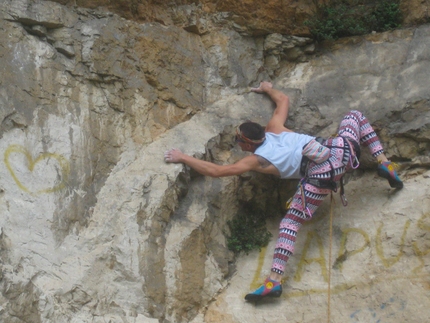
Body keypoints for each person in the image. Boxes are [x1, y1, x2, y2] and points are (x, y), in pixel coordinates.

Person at [164, 81, 403, 301]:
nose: (238, 145)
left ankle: (274, 282)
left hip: (320, 177)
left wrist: (182, 157)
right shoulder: (275, 127)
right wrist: (268, 88)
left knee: (290, 224)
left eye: (239, 141)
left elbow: (216, 171)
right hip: (341, 152)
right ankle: (384, 163)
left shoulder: (256, 160)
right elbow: (284, 101)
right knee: (356, 116)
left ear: (247, 143)